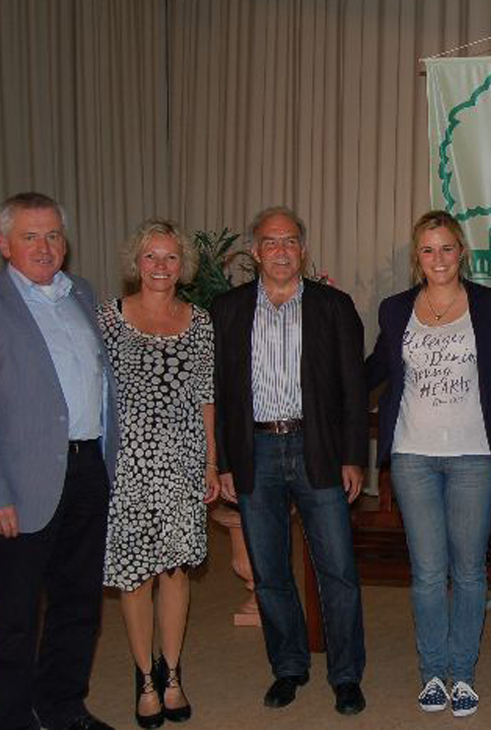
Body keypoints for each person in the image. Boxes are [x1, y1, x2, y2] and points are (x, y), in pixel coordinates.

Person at [0, 192, 120, 730]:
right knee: (15, 616)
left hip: (88, 471)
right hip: (17, 486)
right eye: (30, 236)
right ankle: (13, 720)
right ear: (4, 244)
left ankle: (62, 707)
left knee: (79, 606)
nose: (44, 246)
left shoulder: (81, 293)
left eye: (52, 235)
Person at [211, 206, 368, 716]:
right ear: (255, 251)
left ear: (303, 249)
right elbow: (219, 393)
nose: (281, 250)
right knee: (269, 570)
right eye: (271, 242)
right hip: (254, 452)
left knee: (337, 569)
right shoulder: (227, 309)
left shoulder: (333, 306)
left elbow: (353, 388)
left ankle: (346, 675)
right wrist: (225, 462)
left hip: (317, 448)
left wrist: (353, 457)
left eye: (290, 241)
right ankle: (289, 666)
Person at [365, 211, 491, 717]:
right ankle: (433, 671)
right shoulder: (395, 310)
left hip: (474, 456)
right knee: (428, 572)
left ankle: (463, 672)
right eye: (428, 250)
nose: (439, 259)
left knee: (469, 571)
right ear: (417, 256)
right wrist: (325, 389)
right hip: (413, 456)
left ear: (462, 251)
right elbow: (375, 370)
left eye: (447, 248)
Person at [97, 221, 219, 728]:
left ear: (182, 265)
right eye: (151, 256)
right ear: (136, 262)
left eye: (170, 257)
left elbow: (207, 395)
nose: (161, 266)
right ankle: (145, 677)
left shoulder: (200, 321)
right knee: (136, 575)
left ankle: (172, 674)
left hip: (183, 465)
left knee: (175, 572)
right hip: (128, 468)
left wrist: (211, 462)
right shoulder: (108, 318)